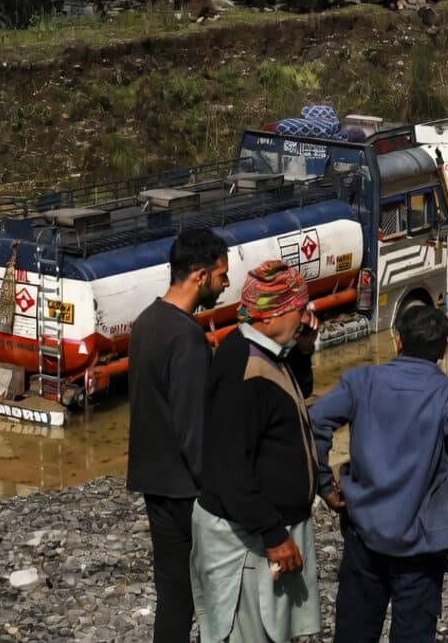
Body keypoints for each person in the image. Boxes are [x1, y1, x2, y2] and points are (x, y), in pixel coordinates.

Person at [310, 305, 448, 643]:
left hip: (363, 533)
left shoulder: (362, 382)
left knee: (354, 632)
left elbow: (316, 422)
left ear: (398, 340)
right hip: (422, 545)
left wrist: (324, 485)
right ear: (444, 348)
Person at [192, 260, 323, 642]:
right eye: (301, 309)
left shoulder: (267, 352)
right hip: (246, 542)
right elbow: (231, 467)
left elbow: (292, 397)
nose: (306, 317)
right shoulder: (244, 368)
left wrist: (303, 351)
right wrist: (273, 534)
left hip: (265, 531)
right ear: (274, 313)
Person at [127, 228, 230, 643]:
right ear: (200, 276)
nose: (226, 284)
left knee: (173, 596)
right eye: (221, 275)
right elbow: (194, 427)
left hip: (155, 482)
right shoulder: (186, 338)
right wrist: (218, 493)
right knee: (217, 595)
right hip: (189, 492)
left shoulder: (145, 322)